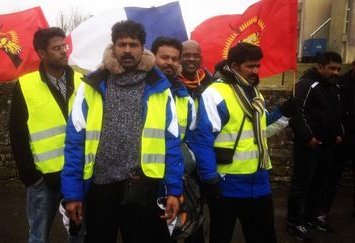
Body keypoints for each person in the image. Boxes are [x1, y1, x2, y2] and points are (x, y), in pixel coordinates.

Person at [60, 20, 184, 243]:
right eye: (122, 44)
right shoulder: (91, 86)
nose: (127, 50)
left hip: (143, 187)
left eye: (133, 45)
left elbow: (171, 142)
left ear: (143, 47)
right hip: (101, 187)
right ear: (113, 46)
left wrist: (174, 190)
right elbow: (75, 143)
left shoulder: (160, 87)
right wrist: (72, 193)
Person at [189, 42, 287, 243]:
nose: (255, 71)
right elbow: (201, 139)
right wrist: (209, 179)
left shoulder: (253, 91)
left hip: (259, 181)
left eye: (258, 66)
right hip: (227, 183)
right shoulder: (215, 94)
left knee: (264, 237)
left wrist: (283, 113)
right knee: (221, 236)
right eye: (250, 66)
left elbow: (260, 126)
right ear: (234, 67)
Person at [9, 27, 83, 243]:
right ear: (42, 53)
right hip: (44, 179)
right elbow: (17, 133)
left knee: (79, 234)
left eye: (64, 46)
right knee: (38, 237)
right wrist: (31, 176)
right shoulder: (25, 85)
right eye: (57, 47)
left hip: (78, 173)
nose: (64, 51)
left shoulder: (83, 81)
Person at [286, 51, 343, 240]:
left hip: (328, 144)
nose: (335, 72)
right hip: (310, 146)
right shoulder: (306, 85)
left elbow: (337, 112)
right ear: (320, 67)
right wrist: (307, 137)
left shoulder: (333, 87)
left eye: (338, 69)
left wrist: (339, 133)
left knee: (320, 183)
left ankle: (311, 216)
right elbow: (295, 112)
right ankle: (294, 221)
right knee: (302, 184)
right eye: (331, 68)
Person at [151, 36, 202, 242]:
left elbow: (190, 139)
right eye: (164, 57)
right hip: (148, 181)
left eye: (174, 59)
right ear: (152, 57)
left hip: (177, 177)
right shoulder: (141, 92)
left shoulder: (184, 97)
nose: (169, 63)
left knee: (180, 231)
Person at [322, 60, 355, 217]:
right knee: (332, 176)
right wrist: (337, 132)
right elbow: (332, 110)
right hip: (343, 137)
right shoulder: (340, 84)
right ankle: (322, 210)